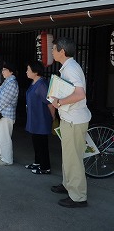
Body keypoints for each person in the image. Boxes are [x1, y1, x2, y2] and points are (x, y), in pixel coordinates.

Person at [50, 37, 91, 208]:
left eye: (53, 49)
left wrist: (59, 102)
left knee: (73, 158)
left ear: (62, 51)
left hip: (74, 119)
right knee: (68, 156)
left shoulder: (71, 69)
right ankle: (68, 185)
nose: (52, 52)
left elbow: (80, 94)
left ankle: (78, 197)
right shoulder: (69, 67)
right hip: (70, 118)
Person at [25, 61, 56, 174]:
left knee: (42, 143)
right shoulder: (34, 82)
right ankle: (38, 162)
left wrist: (53, 116)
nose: (26, 72)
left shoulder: (42, 84)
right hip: (34, 117)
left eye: (28, 69)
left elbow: (50, 103)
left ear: (36, 71)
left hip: (41, 118)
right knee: (36, 141)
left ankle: (45, 167)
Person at [0, 61, 19, 166]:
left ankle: (7, 159)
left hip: (6, 114)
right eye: (2, 69)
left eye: (4, 70)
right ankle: (3, 155)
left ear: (11, 72)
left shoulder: (12, 83)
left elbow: (4, 100)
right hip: (1, 113)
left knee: (4, 137)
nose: (2, 72)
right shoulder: (7, 81)